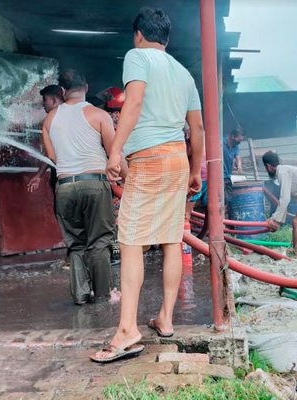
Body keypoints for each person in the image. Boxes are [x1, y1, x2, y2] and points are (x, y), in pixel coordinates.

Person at [92, 7, 204, 363]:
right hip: (177, 159)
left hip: (150, 158)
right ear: (166, 38)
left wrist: (115, 150)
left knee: (131, 240)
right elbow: (197, 129)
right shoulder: (184, 73)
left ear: (138, 33)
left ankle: (127, 330)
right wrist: (195, 171)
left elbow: (134, 102)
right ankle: (165, 320)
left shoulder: (136, 56)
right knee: (172, 237)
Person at [41, 70, 122, 306]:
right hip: (94, 184)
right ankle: (105, 295)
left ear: (62, 92)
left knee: (76, 243)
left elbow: (53, 157)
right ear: (86, 87)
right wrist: (129, 180)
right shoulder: (99, 115)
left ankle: (81, 294)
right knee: (99, 242)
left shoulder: (49, 120)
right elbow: (114, 153)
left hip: (65, 187)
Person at [27, 85, 64, 198]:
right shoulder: (54, 120)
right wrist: (39, 175)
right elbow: (50, 153)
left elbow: (54, 153)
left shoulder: (59, 120)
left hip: (65, 179)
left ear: (53, 100)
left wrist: (62, 180)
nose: (43, 103)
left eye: (45, 99)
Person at [223, 127, 244, 212]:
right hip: (219, 175)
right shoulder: (221, 142)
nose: (239, 143)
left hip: (227, 175)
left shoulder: (236, 146)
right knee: (223, 198)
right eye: (238, 140)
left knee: (228, 198)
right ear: (232, 136)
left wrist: (239, 165)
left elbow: (237, 158)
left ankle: (225, 218)